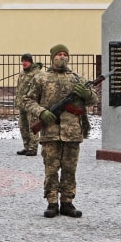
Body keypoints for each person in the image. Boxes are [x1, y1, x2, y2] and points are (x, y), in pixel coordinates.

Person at [23, 44, 97, 218]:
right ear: (52, 57)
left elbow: (93, 99)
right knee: (51, 169)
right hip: (50, 132)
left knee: (70, 169)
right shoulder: (41, 78)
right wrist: (42, 112)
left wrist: (87, 94)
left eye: (65, 54)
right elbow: (27, 100)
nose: (62, 57)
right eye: (59, 54)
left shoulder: (77, 78)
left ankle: (67, 202)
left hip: (72, 132)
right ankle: (51, 202)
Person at [14, 53, 43, 156]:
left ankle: (33, 148)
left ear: (31, 62)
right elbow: (19, 88)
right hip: (22, 104)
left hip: (32, 104)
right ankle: (26, 146)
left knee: (33, 126)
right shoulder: (22, 74)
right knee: (23, 127)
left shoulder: (37, 74)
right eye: (22, 61)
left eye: (26, 61)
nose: (24, 63)